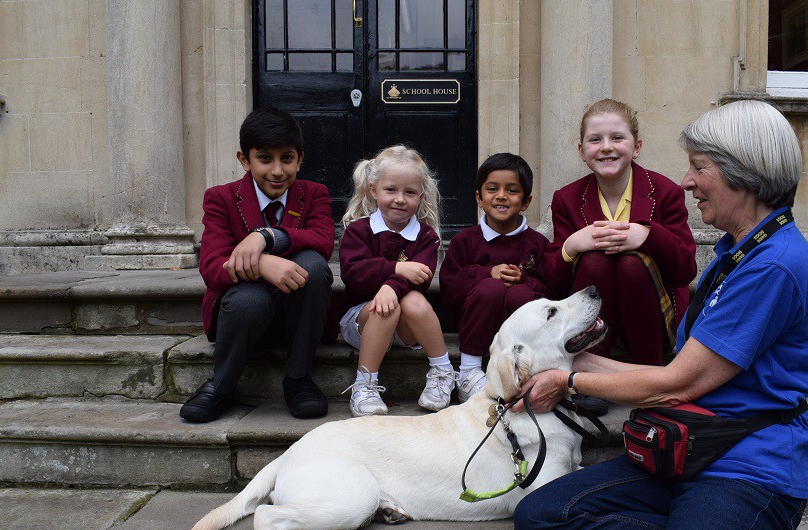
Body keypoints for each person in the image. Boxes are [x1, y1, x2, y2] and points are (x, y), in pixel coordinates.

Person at [512, 100, 808, 530]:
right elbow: (673, 376)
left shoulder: (773, 265)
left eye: (700, 167)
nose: (687, 181)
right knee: (542, 516)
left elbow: (674, 385)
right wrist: (560, 371)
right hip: (690, 452)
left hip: (746, 470)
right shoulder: (738, 250)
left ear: (743, 173)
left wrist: (573, 376)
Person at [181, 107, 334, 423]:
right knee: (252, 297)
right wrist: (262, 264)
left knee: (315, 265)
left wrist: (267, 236)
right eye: (265, 158)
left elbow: (322, 241)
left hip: (299, 317)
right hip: (244, 316)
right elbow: (212, 268)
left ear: (300, 158)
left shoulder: (313, 193)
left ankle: (298, 379)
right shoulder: (221, 198)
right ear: (244, 159)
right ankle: (221, 386)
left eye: (287, 159)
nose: (278, 171)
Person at [541, 98, 697, 367]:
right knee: (594, 260)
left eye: (617, 137)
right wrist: (572, 246)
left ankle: (647, 372)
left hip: (652, 320)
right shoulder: (566, 198)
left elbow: (685, 271)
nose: (606, 147)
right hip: (594, 321)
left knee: (631, 264)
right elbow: (553, 282)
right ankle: (592, 372)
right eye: (594, 140)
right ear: (581, 150)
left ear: (636, 147)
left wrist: (648, 236)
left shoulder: (665, 192)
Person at [338, 145, 453, 417]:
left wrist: (391, 286)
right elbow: (353, 274)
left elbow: (421, 279)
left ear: (421, 196)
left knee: (411, 300)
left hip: (404, 329)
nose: (400, 199)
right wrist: (396, 270)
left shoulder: (425, 236)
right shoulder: (358, 230)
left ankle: (443, 371)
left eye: (409, 192)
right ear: (374, 190)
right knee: (386, 306)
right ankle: (364, 384)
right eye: (391, 190)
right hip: (361, 321)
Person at [439, 153, 549, 402]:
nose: (501, 196)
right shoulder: (464, 241)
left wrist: (524, 281)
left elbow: (549, 292)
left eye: (512, 190)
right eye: (492, 189)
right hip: (475, 326)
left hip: (519, 336)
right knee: (490, 289)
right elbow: (448, 292)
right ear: (479, 197)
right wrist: (485, 273)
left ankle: (524, 371)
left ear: (526, 201)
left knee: (521, 293)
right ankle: (468, 372)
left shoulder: (538, 244)